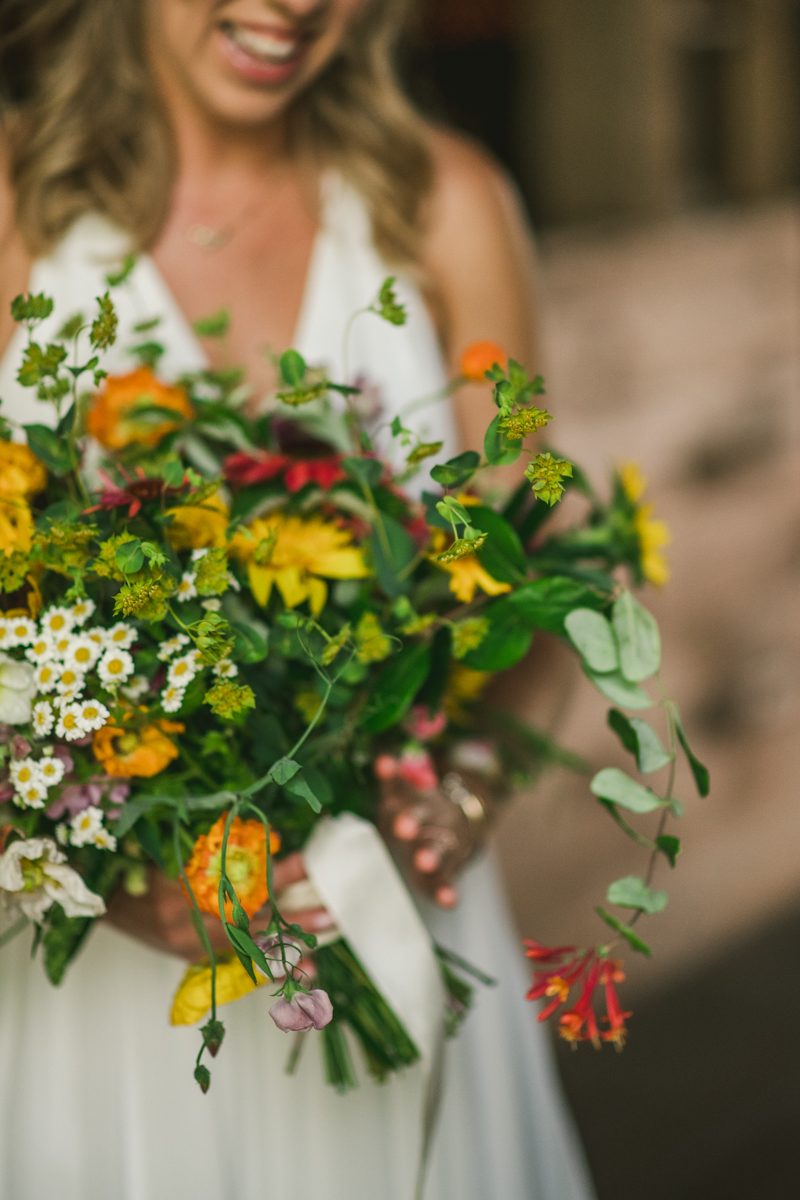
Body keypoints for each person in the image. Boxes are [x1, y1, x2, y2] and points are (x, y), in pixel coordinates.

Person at [0, 2, 595, 1198]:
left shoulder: (442, 203)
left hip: (390, 925)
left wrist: (465, 784)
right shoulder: (14, 203)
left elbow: (548, 571)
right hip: (101, 1006)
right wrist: (95, 873)